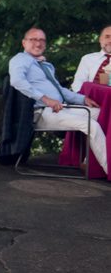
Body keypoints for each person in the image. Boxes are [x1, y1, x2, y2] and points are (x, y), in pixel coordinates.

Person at [9, 27, 107, 174]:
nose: (38, 43)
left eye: (42, 40)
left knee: (101, 114)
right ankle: (109, 168)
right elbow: (17, 81)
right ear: (24, 43)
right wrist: (46, 99)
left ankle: (93, 164)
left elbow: (60, 90)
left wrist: (82, 99)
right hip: (41, 113)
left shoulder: (45, 65)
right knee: (91, 125)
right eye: (33, 39)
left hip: (61, 109)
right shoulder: (20, 59)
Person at [71, 24, 111, 92]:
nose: (110, 40)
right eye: (107, 37)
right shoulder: (87, 59)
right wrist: (82, 99)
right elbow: (78, 83)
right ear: (100, 39)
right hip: (87, 99)